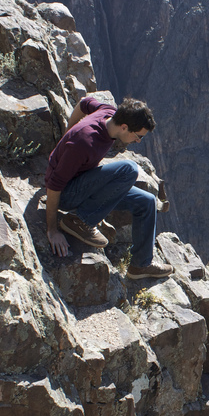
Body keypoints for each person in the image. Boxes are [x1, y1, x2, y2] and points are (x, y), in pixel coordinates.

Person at [44, 96, 173, 279]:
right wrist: (52, 230)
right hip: (67, 193)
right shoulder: (84, 142)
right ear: (124, 127)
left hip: (84, 183)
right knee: (128, 170)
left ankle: (140, 265)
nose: (138, 141)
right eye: (138, 136)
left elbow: (84, 103)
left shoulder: (108, 112)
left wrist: (67, 131)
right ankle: (80, 221)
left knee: (147, 201)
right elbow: (54, 186)